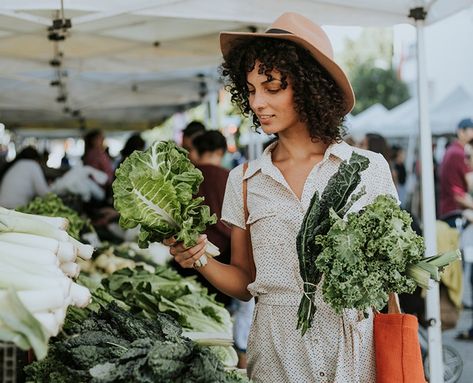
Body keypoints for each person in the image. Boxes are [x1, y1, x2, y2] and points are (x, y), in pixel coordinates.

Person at [165, 12, 398, 382]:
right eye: (251, 89)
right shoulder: (244, 179)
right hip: (277, 354)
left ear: (309, 87)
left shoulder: (370, 169)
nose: (257, 102)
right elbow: (244, 281)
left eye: (272, 88)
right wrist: (199, 260)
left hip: (353, 353)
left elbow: (391, 271)